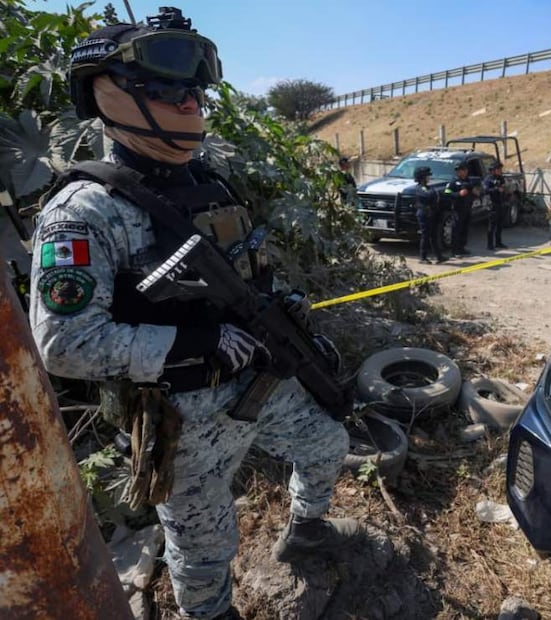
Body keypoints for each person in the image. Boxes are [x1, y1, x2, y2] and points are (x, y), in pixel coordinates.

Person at [30, 10, 359, 619]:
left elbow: (246, 264)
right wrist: (196, 343)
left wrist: (282, 304)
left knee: (328, 440)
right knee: (206, 546)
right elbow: (64, 343)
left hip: (262, 378)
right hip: (181, 415)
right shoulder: (83, 211)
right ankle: (210, 614)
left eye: (196, 90)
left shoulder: (209, 180)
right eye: (166, 89)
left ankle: (306, 529)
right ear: (107, 94)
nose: (190, 104)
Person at [414, 166, 447, 264]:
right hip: (424, 214)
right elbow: (429, 195)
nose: (429, 178)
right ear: (422, 177)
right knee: (425, 235)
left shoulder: (427, 187)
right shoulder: (420, 188)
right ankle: (423, 257)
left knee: (433, 235)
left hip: (431, 213)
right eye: (427, 176)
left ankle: (439, 256)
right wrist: (435, 192)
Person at [443, 161, 475, 257]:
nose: (460, 172)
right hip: (457, 209)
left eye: (462, 170)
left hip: (467, 208)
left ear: (466, 171)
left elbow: (473, 192)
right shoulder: (453, 182)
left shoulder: (469, 181)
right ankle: (455, 250)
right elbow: (446, 193)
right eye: (458, 170)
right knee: (456, 230)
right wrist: (458, 194)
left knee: (465, 229)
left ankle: (462, 248)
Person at [482, 160, 508, 251]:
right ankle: (490, 244)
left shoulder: (501, 178)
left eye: (501, 169)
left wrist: (504, 190)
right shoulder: (488, 179)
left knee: (500, 225)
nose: (500, 170)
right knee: (492, 226)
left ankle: (498, 242)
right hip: (492, 205)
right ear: (493, 170)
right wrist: (496, 189)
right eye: (499, 169)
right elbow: (485, 190)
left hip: (500, 204)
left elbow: (504, 188)